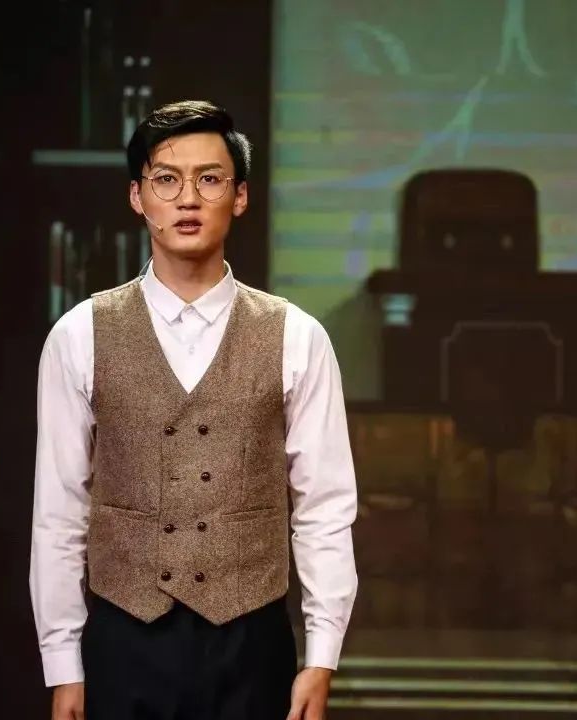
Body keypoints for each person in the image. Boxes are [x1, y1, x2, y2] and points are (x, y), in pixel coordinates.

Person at [29, 99, 358, 720]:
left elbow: (324, 508)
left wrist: (322, 657)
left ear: (240, 197)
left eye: (210, 179)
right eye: (166, 179)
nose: (187, 199)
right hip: (124, 640)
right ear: (137, 196)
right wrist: (63, 664)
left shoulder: (297, 336)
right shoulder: (79, 335)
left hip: (251, 643)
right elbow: (59, 512)